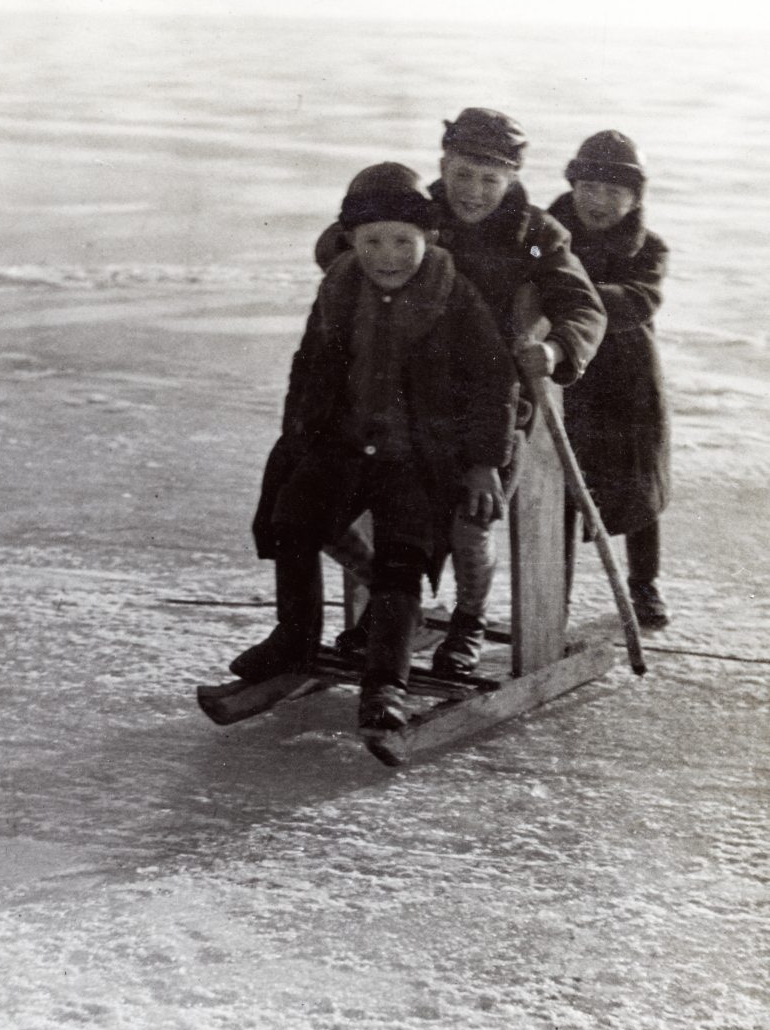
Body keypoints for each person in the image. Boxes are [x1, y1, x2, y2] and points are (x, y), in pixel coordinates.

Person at [316, 109, 607, 675]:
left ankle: (468, 620)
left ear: (512, 177)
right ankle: (396, 599)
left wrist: (555, 350)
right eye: (462, 175)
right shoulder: (417, 210)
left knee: (471, 524)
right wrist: (367, 229)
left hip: (491, 406)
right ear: (443, 165)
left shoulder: (535, 236)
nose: (473, 192)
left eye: (490, 179)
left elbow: (582, 306)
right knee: (335, 506)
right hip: (401, 397)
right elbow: (337, 246)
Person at [234, 162, 519, 740]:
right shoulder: (338, 288)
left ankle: (386, 683)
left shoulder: (455, 295)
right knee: (293, 522)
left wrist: (484, 462)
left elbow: (495, 383)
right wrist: (297, 440)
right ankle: (294, 638)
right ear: (350, 240)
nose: (387, 256)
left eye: (402, 242)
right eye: (372, 242)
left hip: (421, 456)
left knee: (401, 559)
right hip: (345, 446)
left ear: (428, 236)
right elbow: (308, 368)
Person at [549, 131, 671, 628]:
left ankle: (644, 583)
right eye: (588, 188)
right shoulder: (542, 236)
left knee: (640, 490)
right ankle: (553, 593)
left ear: (635, 198)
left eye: (613, 191)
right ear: (573, 187)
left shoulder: (650, 248)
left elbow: (640, 300)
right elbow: (519, 271)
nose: (598, 201)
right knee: (561, 489)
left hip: (628, 381)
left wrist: (570, 293)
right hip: (565, 375)